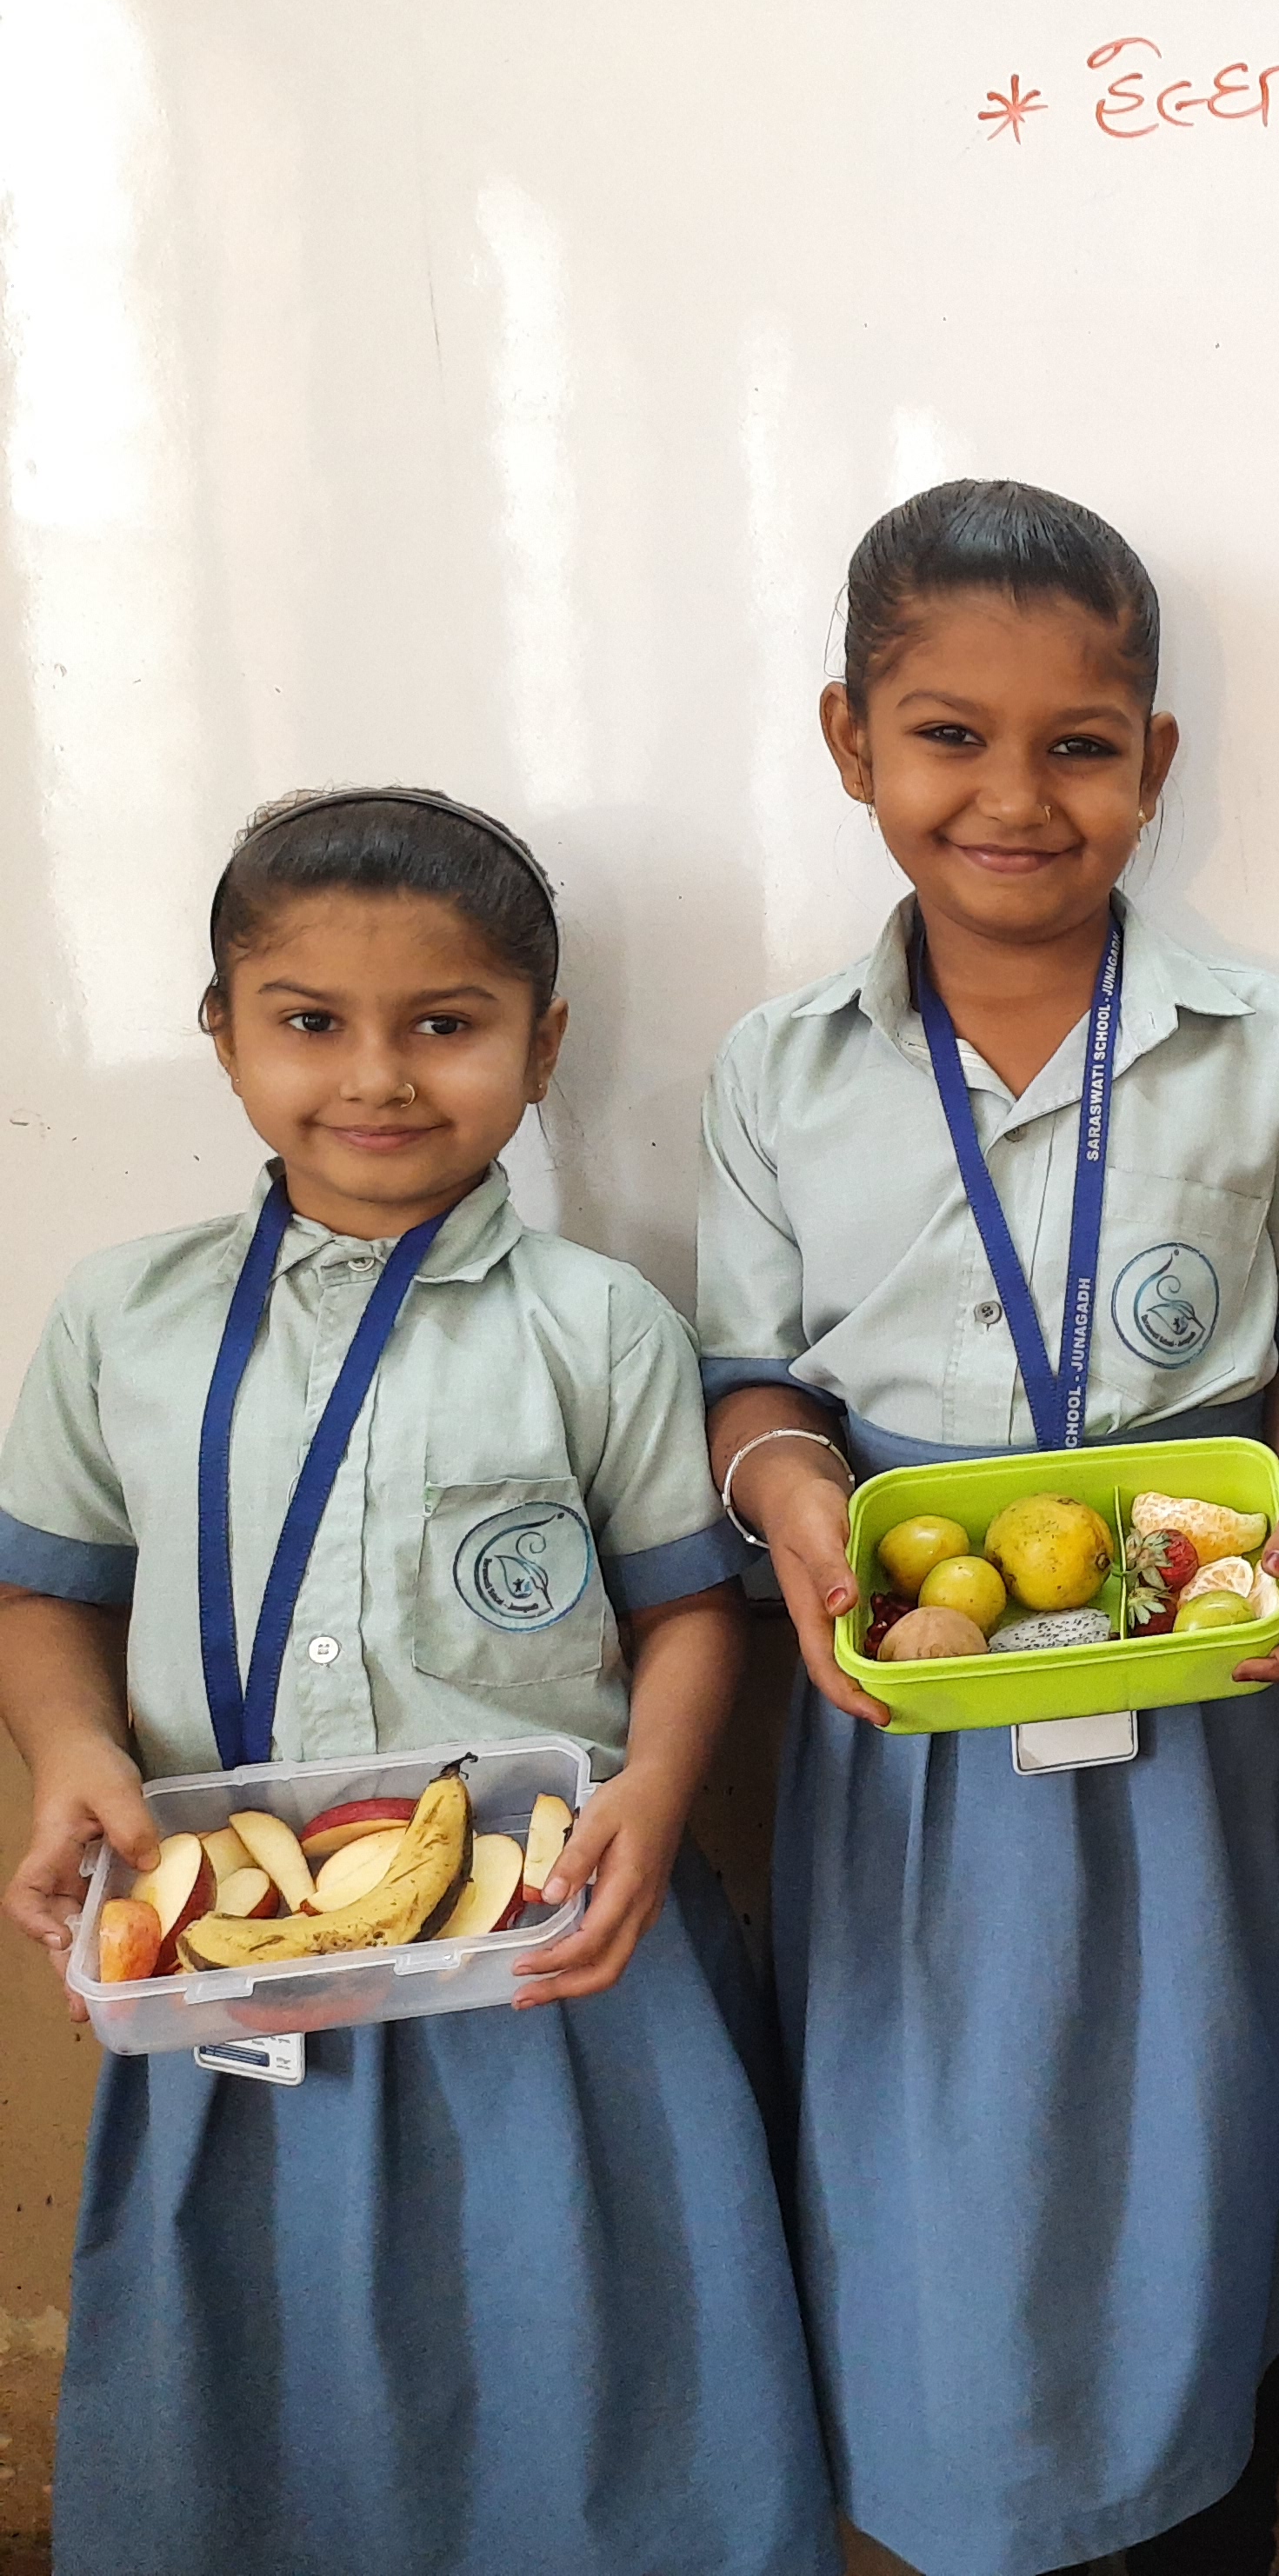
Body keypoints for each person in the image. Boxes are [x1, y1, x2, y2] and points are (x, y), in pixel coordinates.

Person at [0, 789, 836, 2574]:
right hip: (228, 1957)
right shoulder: (122, 1319)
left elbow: (689, 1613)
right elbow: (48, 1595)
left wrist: (656, 1792)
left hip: (553, 1956)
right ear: (222, 1033)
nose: (376, 1077)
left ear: (542, 1044)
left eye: (444, 1024)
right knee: (262, 2397)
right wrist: (69, 1748)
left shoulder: (601, 1325)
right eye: (310, 1021)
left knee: (585, 2363)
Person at [697, 480, 1279, 2576]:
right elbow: (754, 1380)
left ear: (1152, 762)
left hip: (1212, 1704)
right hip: (916, 1725)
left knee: (1202, 2146)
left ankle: (1205, 2521)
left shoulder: (1258, 1044)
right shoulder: (779, 1070)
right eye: (947, 735)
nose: (1013, 795)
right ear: (849, 743)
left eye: (1078, 745)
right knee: (945, 2170)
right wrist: (788, 1489)